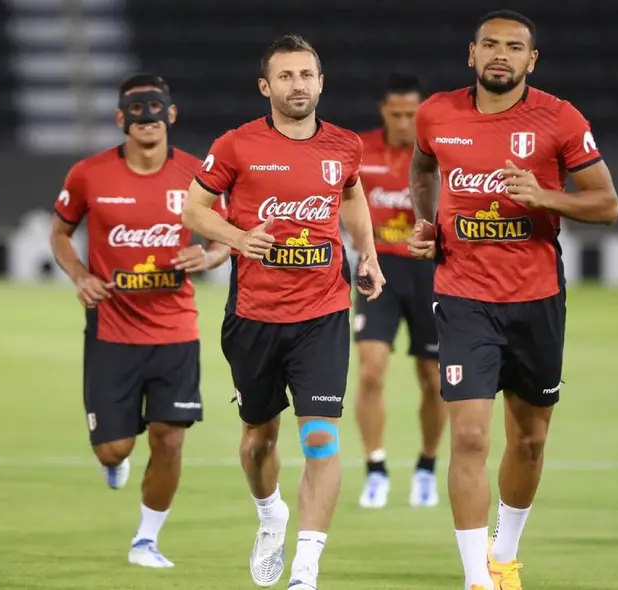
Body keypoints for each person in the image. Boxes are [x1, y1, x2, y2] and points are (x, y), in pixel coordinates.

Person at [407, 10, 618, 590]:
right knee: (470, 436)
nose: (501, 54)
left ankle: (503, 554)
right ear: (471, 54)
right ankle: (477, 580)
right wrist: (427, 222)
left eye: (515, 47)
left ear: (532, 60)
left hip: (536, 298)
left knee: (529, 439)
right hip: (463, 297)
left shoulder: (560, 118)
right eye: (490, 44)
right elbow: (422, 167)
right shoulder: (435, 114)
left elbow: (606, 205)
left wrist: (545, 197)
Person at [182, 34, 386, 590]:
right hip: (255, 316)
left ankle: (305, 570)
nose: (298, 85)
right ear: (265, 86)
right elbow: (194, 208)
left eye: (306, 75)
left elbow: (351, 195)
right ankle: (271, 516)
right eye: (286, 76)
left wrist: (366, 252)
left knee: (321, 438)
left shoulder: (344, 146)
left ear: (321, 82)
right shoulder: (235, 146)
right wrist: (238, 238)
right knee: (259, 441)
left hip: (323, 314)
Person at [49, 73, 229, 569]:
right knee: (113, 449)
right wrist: (80, 276)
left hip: (176, 330)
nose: (146, 117)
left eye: (155, 107)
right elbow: (60, 233)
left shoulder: (197, 175)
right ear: (119, 118)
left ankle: (146, 540)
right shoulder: (88, 174)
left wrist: (209, 257)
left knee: (170, 438)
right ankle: (115, 460)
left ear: (171, 114)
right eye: (136, 108)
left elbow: (224, 236)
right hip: (111, 330)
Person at [353, 72, 444, 510]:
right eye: (397, 114)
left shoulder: (438, 154)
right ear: (383, 111)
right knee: (371, 372)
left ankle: (426, 466)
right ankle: (376, 468)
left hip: (429, 273)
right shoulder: (360, 151)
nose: (405, 122)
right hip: (379, 270)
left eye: (413, 114)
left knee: (433, 378)